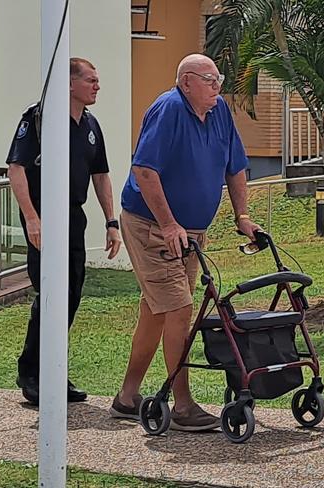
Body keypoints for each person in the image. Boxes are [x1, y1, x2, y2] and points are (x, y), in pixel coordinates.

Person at [110, 54, 260, 431]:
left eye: (219, 80)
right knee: (179, 307)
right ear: (187, 81)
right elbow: (144, 170)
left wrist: (242, 216)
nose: (218, 87)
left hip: (189, 232)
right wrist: (169, 223)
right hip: (151, 227)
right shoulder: (170, 109)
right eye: (211, 81)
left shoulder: (219, 112)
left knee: (158, 309)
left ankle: (128, 397)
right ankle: (181, 405)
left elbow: (236, 166)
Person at [6, 57, 122, 405]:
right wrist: (31, 218)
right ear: (69, 84)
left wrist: (111, 221)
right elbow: (16, 169)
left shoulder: (90, 123)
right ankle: (32, 374)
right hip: (44, 218)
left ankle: (53, 371)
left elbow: (101, 174)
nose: (97, 85)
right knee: (50, 297)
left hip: (74, 218)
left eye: (97, 80)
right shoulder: (39, 118)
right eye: (91, 80)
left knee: (70, 297)